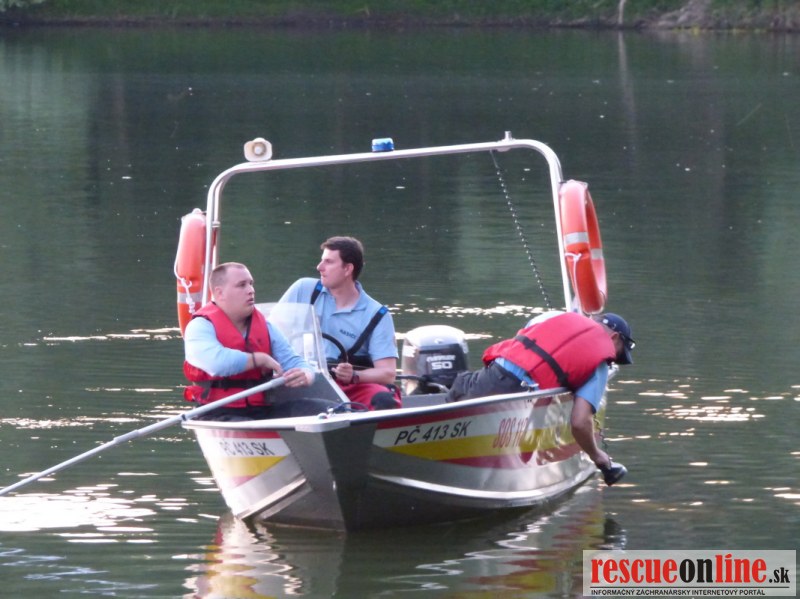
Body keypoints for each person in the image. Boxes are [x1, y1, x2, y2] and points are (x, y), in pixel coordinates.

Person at [446, 311, 635, 486]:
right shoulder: (599, 362)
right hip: (520, 403)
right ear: (614, 337)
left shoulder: (555, 317)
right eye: (618, 355)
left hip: (490, 379)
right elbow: (580, 422)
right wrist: (598, 456)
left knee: (458, 384)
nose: (612, 361)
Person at [183, 262, 340, 421]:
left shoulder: (265, 326)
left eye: (251, 284)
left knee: (336, 410)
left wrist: (306, 374)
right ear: (220, 293)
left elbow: (292, 360)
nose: (251, 290)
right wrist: (259, 359)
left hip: (261, 410)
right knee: (245, 424)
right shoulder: (200, 326)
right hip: (216, 411)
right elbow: (216, 364)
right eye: (241, 285)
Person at [279, 236, 400, 410]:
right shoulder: (303, 289)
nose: (319, 267)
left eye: (328, 262)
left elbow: (387, 373)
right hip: (300, 379)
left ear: (348, 269)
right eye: (322, 260)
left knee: (384, 400)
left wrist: (354, 375)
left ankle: (363, 424)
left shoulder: (377, 314)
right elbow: (270, 332)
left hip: (346, 387)